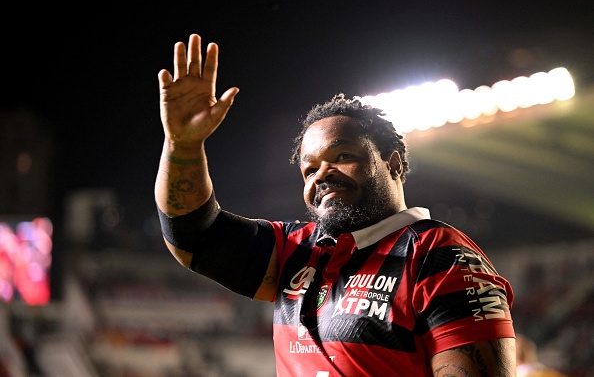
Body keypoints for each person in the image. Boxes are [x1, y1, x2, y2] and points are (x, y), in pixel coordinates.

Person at [155, 33, 516, 376]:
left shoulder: (438, 255)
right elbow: (194, 237)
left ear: (392, 164)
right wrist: (183, 147)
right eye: (308, 169)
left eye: (342, 155)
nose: (321, 174)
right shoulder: (295, 251)